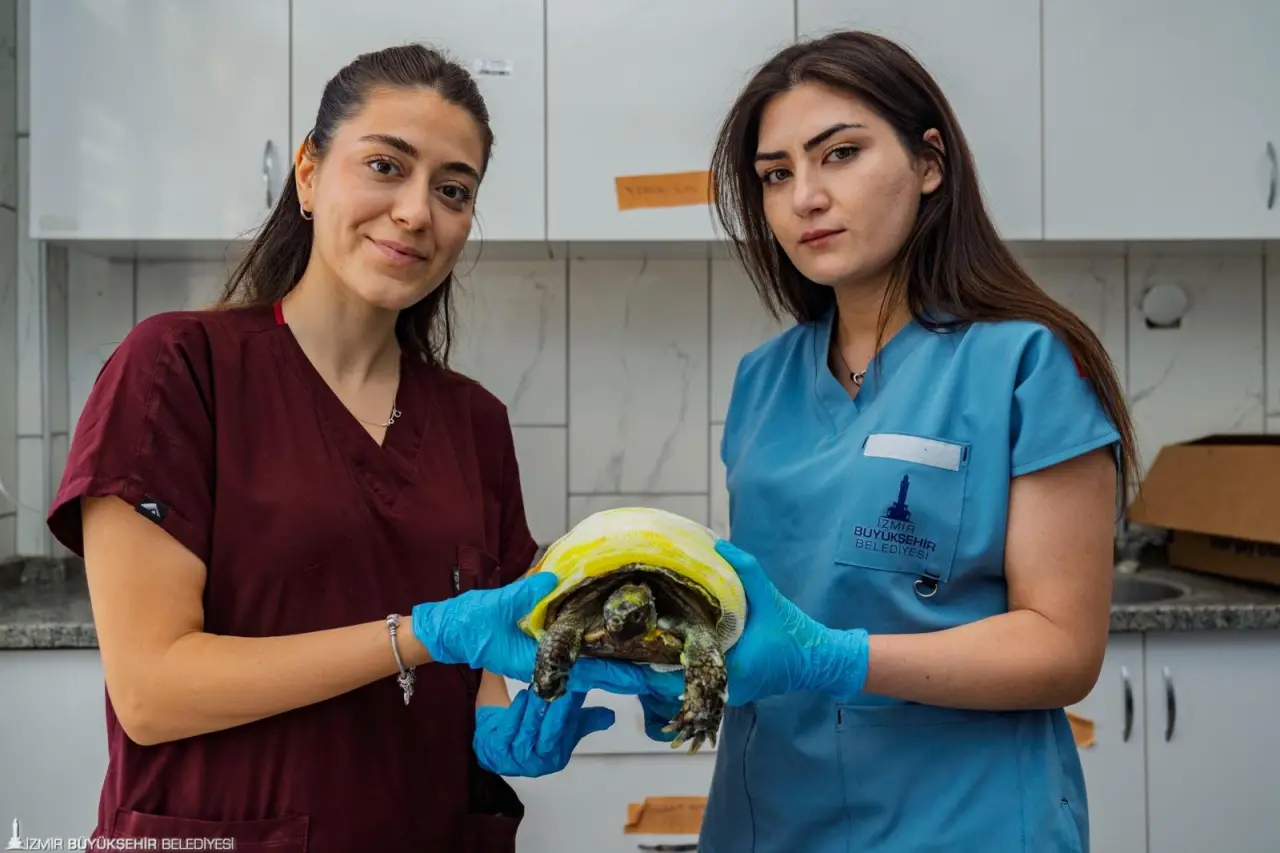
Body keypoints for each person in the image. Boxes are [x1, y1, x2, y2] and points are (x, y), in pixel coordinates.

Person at [46, 43, 655, 853]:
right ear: (307, 171)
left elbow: (482, 665)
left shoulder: (474, 422)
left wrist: (510, 720)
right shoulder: (178, 368)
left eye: (452, 190)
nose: (415, 212)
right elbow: (153, 689)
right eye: (384, 165)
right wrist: (415, 635)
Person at [634, 30, 1138, 853]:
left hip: (961, 820)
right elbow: (772, 609)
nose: (806, 197)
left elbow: (1061, 647)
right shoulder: (764, 381)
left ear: (929, 162)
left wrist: (833, 658)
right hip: (769, 818)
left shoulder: (1028, 362)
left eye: (841, 154)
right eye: (776, 174)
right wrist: (678, 659)